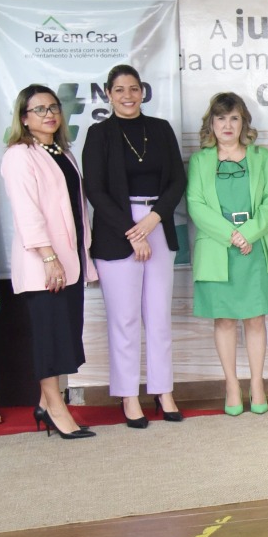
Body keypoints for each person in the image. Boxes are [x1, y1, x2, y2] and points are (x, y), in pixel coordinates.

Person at [81, 63, 186, 427]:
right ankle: (128, 395)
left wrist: (153, 219)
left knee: (158, 317)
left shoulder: (160, 129)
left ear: (143, 92)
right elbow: (95, 190)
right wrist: (133, 231)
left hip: (157, 222)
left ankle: (163, 390)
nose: (128, 96)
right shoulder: (99, 134)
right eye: (119, 90)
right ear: (108, 95)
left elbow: (177, 180)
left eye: (134, 88)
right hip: (117, 232)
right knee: (124, 319)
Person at [0, 85, 97, 438]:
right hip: (44, 263)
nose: (49, 114)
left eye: (53, 107)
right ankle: (56, 409)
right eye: (39, 109)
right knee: (49, 338)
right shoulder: (19, 156)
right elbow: (27, 212)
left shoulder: (62, 152)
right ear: (24, 118)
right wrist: (48, 256)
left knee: (64, 334)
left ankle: (44, 404)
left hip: (70, 261)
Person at [185, 93, 268, 416]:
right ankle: (231, 384)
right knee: (224, 319)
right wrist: (232, 236)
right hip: (218, 250)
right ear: (211, 123)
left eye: (234, 118)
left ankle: (257, 384)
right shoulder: (200, 161)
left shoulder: (262, 158)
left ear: (244, 123)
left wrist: (248, 234)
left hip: (255, 248)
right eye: (221, 118)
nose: (228, 125)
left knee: (255, 318)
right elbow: (196, 205)